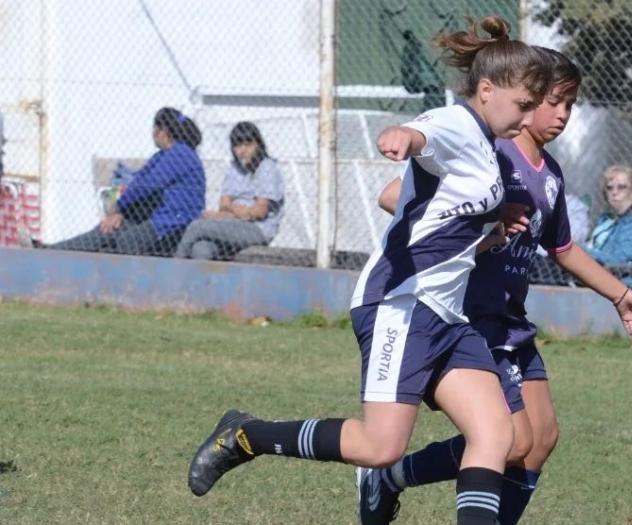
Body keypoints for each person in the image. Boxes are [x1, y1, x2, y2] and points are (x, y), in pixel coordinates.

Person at [187, 16, 554, 525]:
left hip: (446, 316)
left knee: (499, 436)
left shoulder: (489, 147)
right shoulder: (455, 125)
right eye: (524, 104)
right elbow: (419, 133)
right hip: (400, 306)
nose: (531, 115)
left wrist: (495, 224)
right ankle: (246, 435)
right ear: (487, 89)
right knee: (379, 446)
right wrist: (400, 136)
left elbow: (440, 217)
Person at [361, 48, 632, 525]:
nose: (561, 114)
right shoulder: (492, 151)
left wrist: (619, 295)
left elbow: (562, 248)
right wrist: (486, 218)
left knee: (541, 439)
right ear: (530, 96)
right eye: (553, 102)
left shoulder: (552, 177)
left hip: (511, 321)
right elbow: (395, 196)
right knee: (511, 441)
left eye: (570, 105)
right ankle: (390, 475)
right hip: (469, 318)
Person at [39, 107, 204, 256]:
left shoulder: (181, 154)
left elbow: (147, 186)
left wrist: (118, 207)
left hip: (174, 224)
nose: (152, 133)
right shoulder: (163, 155)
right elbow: (139, 181)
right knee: (108, 230)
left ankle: (55, 254)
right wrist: (121, 213)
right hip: (157, 219)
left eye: (155, 128)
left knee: (126, 241)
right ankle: (50, 251)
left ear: (163, 130)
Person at [174, 122, 283, 260]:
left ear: (258, 145)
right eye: (237, 145)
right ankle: (201, 281)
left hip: (257, 229)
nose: (242, 151)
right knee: (201, 249)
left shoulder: (267, 168)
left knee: (197, 227)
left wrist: (231, 210)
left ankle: (173, 274)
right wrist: (241, 212)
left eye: (248, 144)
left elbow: (259, 212)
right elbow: (223, 206)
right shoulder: (235, 168)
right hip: (232, 225)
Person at [583, 165, 632, 266]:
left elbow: (617, 260)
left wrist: (580, 251)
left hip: (618, 279)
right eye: (609, 188)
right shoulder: (606, 219)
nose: (614, 192)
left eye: (621, 187)